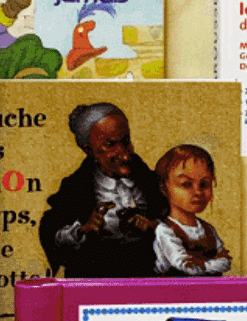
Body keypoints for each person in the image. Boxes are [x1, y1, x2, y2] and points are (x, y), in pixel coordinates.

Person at [40, 103, 167, 278]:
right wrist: (82, 230)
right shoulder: (75, 188)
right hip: (96, 279)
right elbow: (52, 232)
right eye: (110, 145)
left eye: (126, 141)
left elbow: (178, 221)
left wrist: (155, 227)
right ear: (88, 150)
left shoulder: (151, 181)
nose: (124, 154)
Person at [152, 144, 231, 276]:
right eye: (186, 184)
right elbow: (186, 266)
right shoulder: (165, 230)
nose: (198, 192)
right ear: (164, 188)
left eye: (204, 184)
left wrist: (203, 265)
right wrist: (213, 264)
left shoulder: (209, 230)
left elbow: (226, 262)